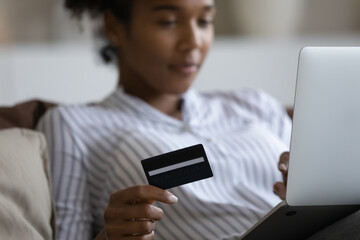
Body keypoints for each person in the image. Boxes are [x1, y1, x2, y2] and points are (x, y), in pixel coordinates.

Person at [37, 0, 359, 239]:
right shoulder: (73, 125)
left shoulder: (253, 104)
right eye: (167, 21)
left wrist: (308, 189)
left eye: (204, 20)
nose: (192, 42)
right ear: (115, 28)